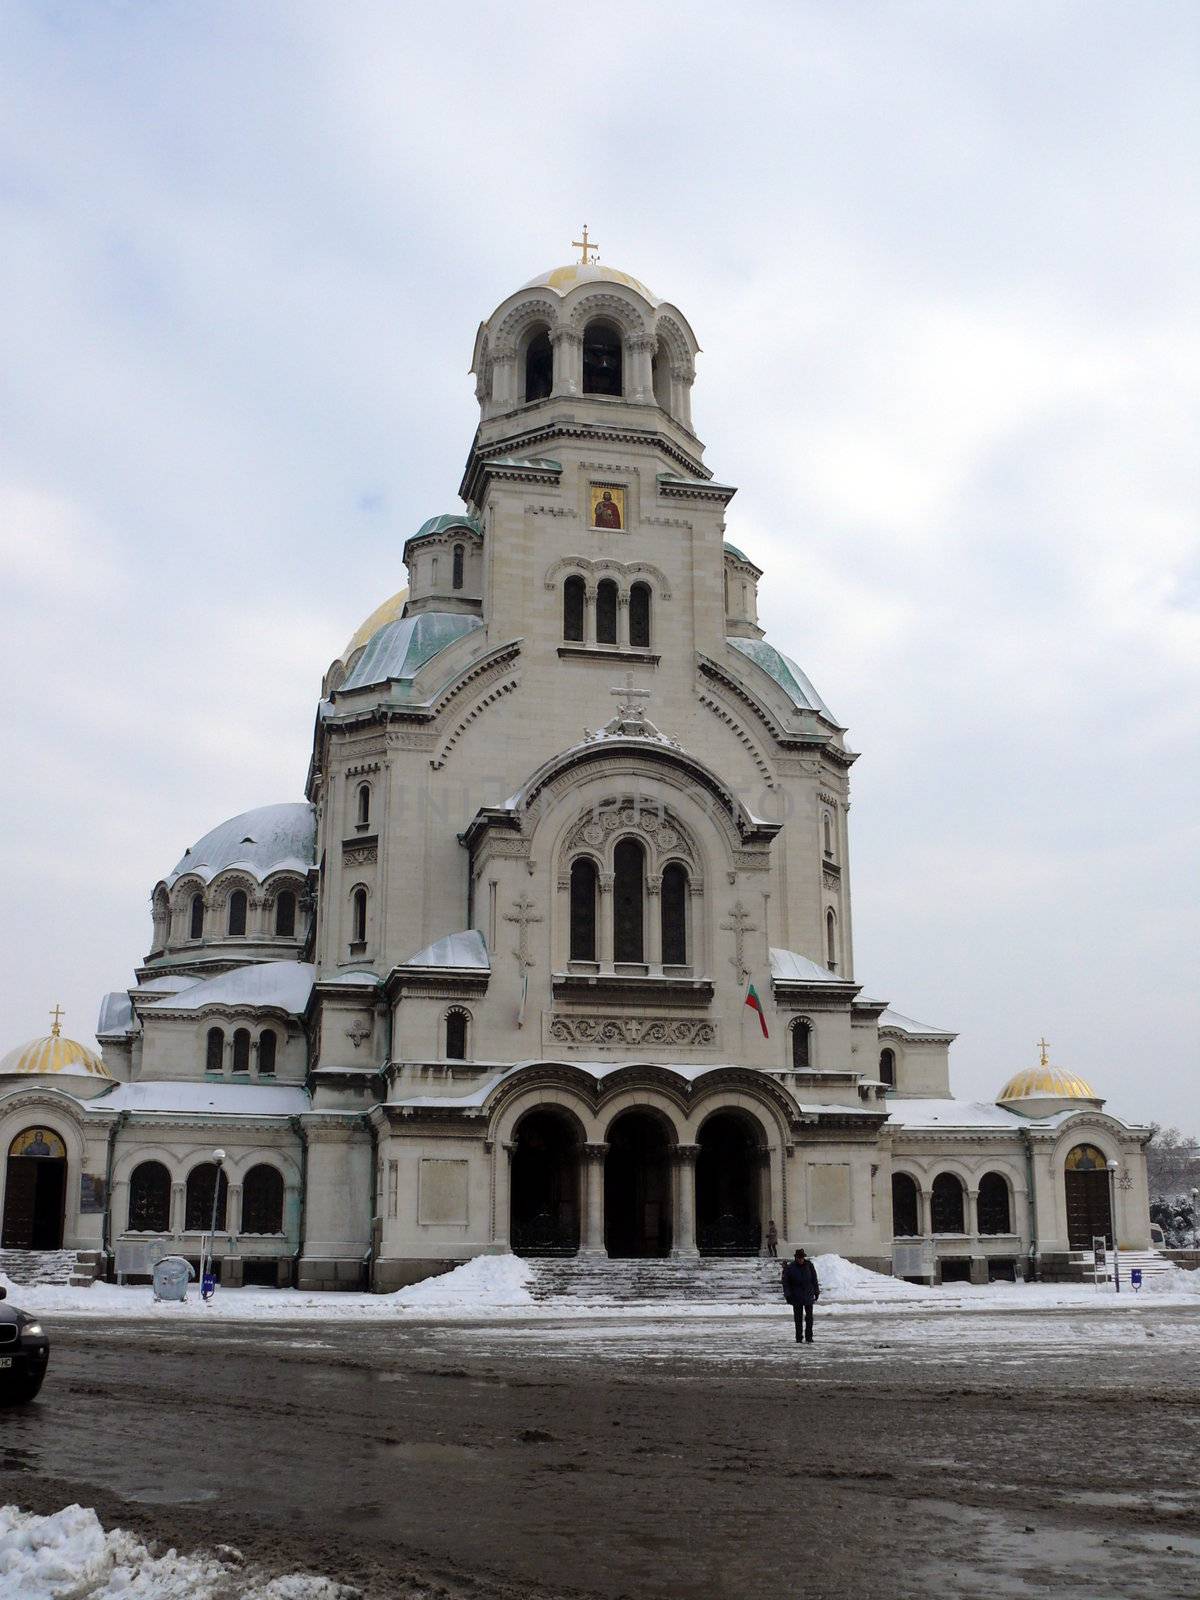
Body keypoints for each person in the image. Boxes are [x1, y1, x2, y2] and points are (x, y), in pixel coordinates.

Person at [781, 1248, 820, 1344]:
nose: (800, 1260)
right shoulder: (790, 1268)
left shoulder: (809, 1266)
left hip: (808, 1294)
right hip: (796, 1296)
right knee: (798, 1318)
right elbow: (786, 1283)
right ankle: (799, 1337)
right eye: (799, 1258)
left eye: (802, 1258)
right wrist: (788, 1294)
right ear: (796, 1258)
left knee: (809, 1318)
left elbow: (814, 1279)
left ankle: (809, 1337)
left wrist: (816, 1291)